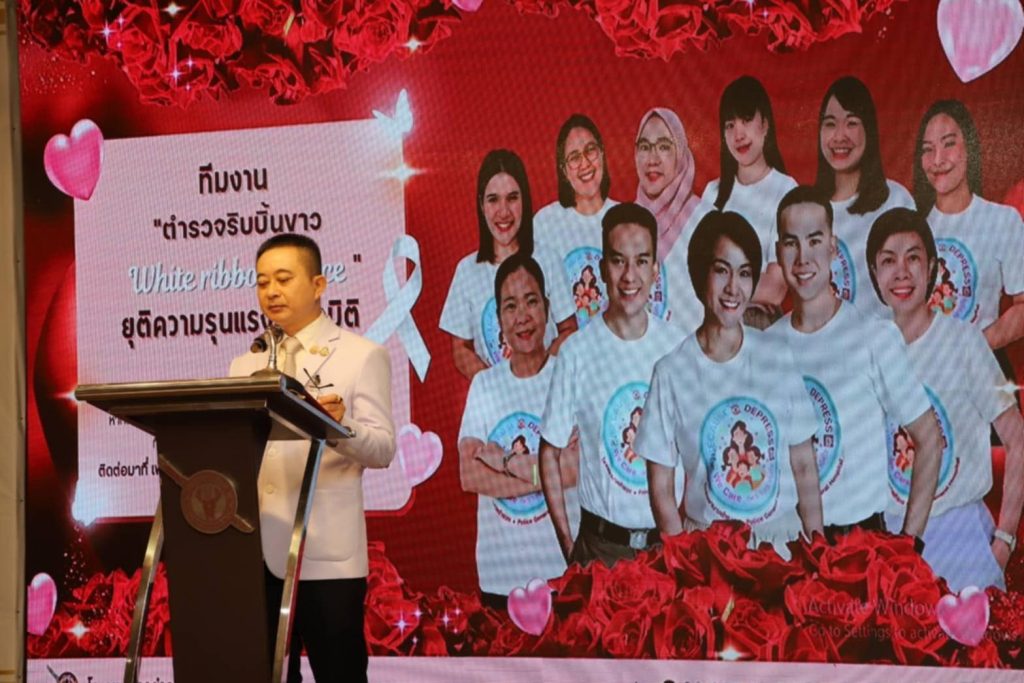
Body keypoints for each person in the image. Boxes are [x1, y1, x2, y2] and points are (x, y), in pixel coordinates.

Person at [229, 234, 395, 683]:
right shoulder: (244, 367)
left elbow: (383, 448)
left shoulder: (362, 355)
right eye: (262, 282)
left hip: (326, 556)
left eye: (284, 279)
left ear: (319, 285)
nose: (271, 291)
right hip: (258, 557)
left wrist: (339, 427)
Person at [636, 211, 823, 556]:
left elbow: (804, 465)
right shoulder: (671, 372)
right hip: (709, 548)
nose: (733, 288)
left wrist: (818, 552)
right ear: (700, 274)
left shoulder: (777, 356)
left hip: (780, 542)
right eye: (722, 270)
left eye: (745, 273)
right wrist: (685, 560)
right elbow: (661, 487)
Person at [767, 186, 941, 544]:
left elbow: (930, 440)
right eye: (791, 243)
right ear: (778, 251)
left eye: (815, 241)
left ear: (833, 248)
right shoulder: (765, 346)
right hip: (784, 547)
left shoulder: (873, 337)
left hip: (858, 547)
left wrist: (909, 546)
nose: (803, 258)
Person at [867, 207, 1024, 591]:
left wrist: (1003, 541)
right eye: (888, 261)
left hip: (961, 536)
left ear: (933, 268)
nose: (901, 273)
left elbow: (1017, 439)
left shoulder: (966, 343)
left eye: (913, 258)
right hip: (890, 537)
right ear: (873, 273)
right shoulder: (867, 347)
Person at [539, 203, 683, 567]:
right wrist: (569, 545)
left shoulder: (679, 348)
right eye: (618, 261)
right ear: (603, 269)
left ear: (655, 270)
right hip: (600, 550)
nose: (629, 276)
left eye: (641, 261)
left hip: (667, 549)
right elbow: (549, 451)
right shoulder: (576, 351)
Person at [458, 253, 580, 611]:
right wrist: (546, 473)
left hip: (561, 572)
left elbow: (573, 471)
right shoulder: (484, 385)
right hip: (500, 576)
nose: (522, 316)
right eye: (510, 306)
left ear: (548, 309)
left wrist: (505, 461)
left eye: (531, 302)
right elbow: (469, 475)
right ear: (499, 319)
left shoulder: (570, 377)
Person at [440, 149, 576, 380]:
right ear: (481, 205)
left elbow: (569, 330)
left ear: (525, 201)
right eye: (493, 199)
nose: (503, 212)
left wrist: (540, 376)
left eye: (512, 198)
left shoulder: (548, 259)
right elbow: (460, 349)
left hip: (546, 392)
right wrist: (496, 387)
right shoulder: (466, 271)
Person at [912, 100, 1024, 379]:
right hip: (925, 379)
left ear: (970, 148)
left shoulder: (1002, 220)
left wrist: (975, 348)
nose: (937, 160)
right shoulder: (913, 226)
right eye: (928, 149)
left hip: (983, 377)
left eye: (948, 144)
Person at [814, 76, 915, 316]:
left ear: (868, 129)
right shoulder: (809, 208)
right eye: (830, 124)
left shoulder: (896, 200)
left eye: (851, 123)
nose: (839, 136)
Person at [703, 76, 795, 325]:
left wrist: (715, 286)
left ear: (765, 124)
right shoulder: (713, 193)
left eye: (746, 120)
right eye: (729, 125)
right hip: (714, 327)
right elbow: (695, 274)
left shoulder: (786, 190)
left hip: (760, 328)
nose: (738, 134)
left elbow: (775, 288)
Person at [534, 114, 619, 328]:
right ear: (564, 170)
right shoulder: (545, 223)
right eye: (574, 157)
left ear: (602, 153)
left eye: (590, 150)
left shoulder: (625, 218)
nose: (585, 164)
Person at [635, 106, 709, 335]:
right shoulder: (627, 223)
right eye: (645, 147)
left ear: (681, 153)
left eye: (664, 147)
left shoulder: (705, 219)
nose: (652, 159)